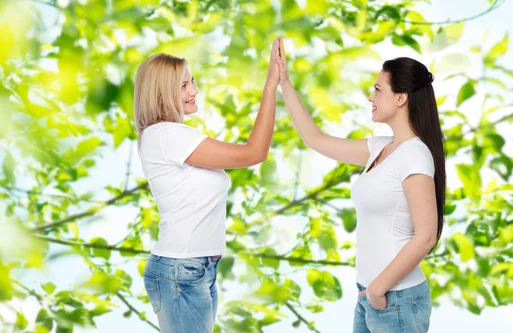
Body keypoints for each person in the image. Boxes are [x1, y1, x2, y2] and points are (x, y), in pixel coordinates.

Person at [275, 41, 446, 333]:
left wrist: (379, 288)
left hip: (396, 299)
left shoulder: (415, 154)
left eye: (378, 90)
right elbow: (315, 140)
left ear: (402, 98)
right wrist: (285, 83)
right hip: (370, 295)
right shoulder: (380, 148)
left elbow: (426, 235)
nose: (371, 97)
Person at [133, 38, 282, 333]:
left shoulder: (169, 136)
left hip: (196, 269)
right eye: (183, 86)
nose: (194, 91)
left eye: (193, 82)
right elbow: (254, 153)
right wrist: (270, 87)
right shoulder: (168, 136)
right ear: (163, 93)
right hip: (182, 270)